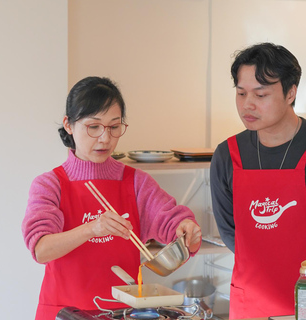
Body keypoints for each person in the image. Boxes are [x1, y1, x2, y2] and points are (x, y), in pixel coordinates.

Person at [22, 76, 202, 320]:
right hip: (64, 313)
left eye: (114, 127)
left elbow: (171, 223)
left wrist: (186, 229)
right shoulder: (50, 184)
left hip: (122, 314)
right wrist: (92, 228)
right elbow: (41, 249)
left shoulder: (136, 182)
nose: (105, 138)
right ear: (68, 125)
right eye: (93, 127)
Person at [210, 42, 306, 319]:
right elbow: (230, 230)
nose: (247, 105)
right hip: (250, 301)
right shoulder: (227, 154)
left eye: (260, 94)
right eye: (241, 93)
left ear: (291, 93)